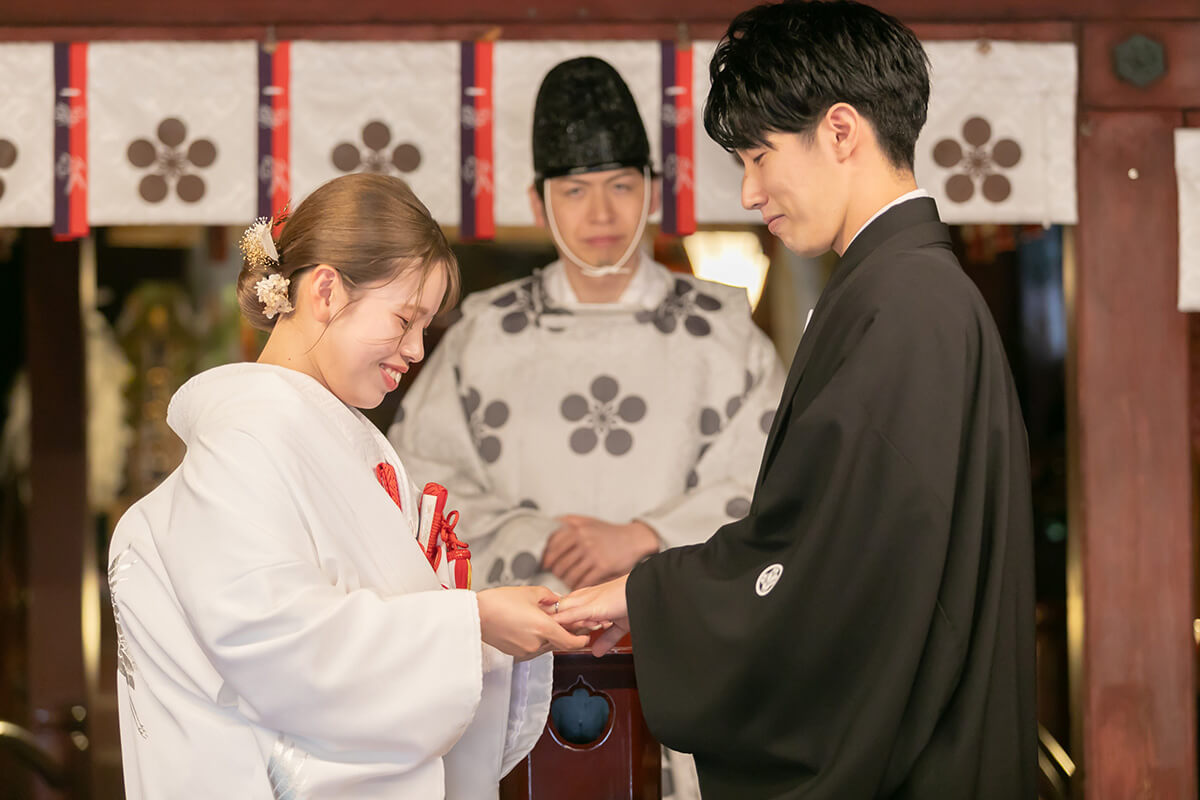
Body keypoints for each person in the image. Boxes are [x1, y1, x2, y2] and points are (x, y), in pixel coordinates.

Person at [554, 2, 1037, 798]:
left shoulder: (908, 306)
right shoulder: (903, 292)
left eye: (757, 156)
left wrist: (650, 595)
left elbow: (828, 567)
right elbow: (834, 538)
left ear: (841, 131)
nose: (748, 192)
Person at [107, 172, 588, 799]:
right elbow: (282, 650)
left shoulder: (326, 436)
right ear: (328, 290)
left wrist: (486, 627)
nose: (416, 349)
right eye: (405, 318)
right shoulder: (248, 440)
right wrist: (472, 623)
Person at [388, 56, 784, 799]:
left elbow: (776, 484)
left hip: (679, 652)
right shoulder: (485, 333)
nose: (600, 216)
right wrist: (541, 538)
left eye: (621, 187)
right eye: (574, 191)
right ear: (539, 204)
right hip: (518, 662)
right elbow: (419, 483)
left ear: (653, 193)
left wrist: (644, 537)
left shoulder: (720, 332)